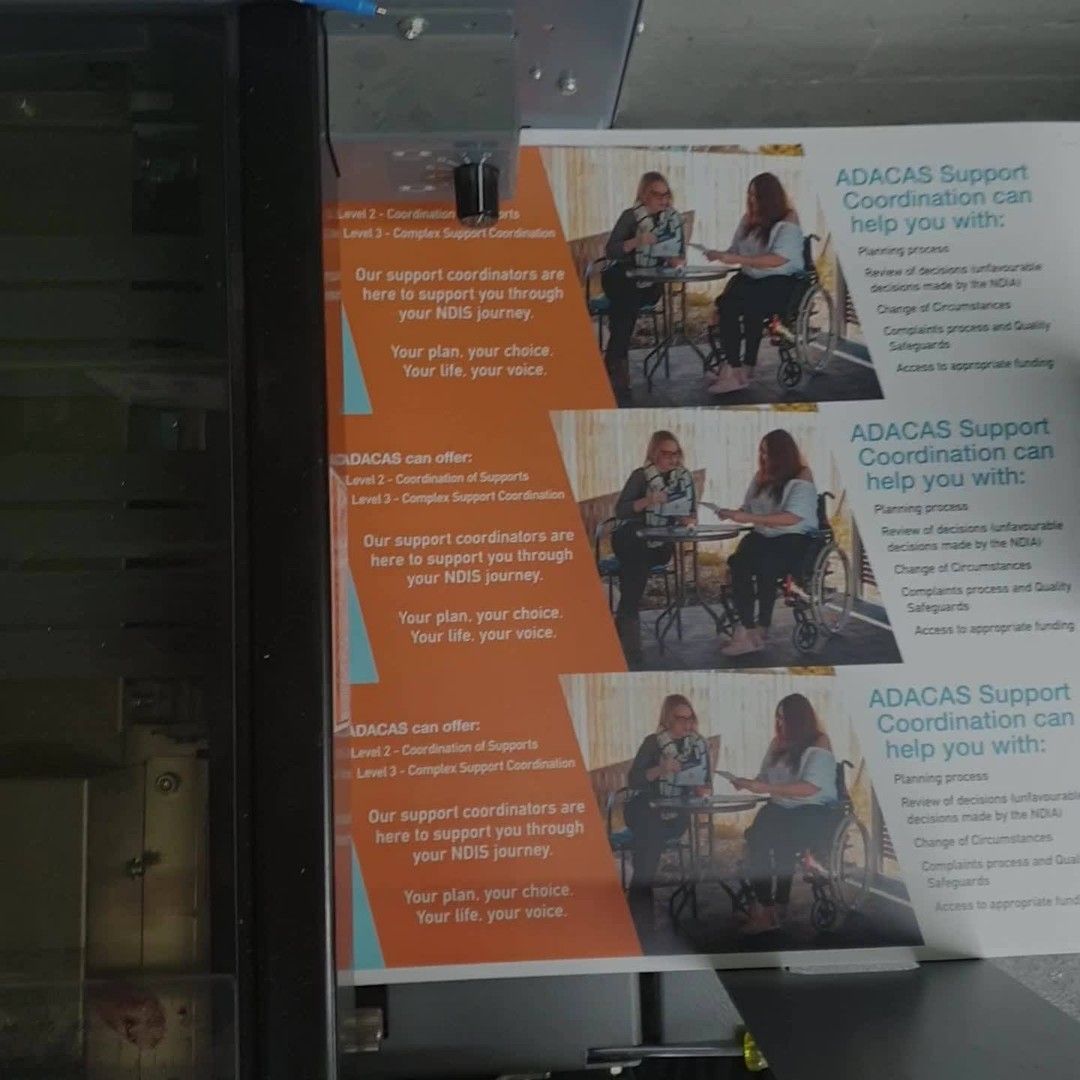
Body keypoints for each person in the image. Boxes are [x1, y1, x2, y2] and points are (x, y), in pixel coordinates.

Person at [729, 693, 837, 934]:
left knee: (782, 838)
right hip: (780, 806)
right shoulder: (777, 743)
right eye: (777, 718)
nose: (779, 724)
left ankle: (778, 905)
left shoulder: (819, 742)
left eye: (784, 718)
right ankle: (768, 908)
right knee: (757, 837)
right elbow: (764, 778)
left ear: (799, 720)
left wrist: (766, 789)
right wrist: (747, 783)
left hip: (812, 808)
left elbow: (810, 788)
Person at [716, 429, 818, 657]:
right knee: (739, 562)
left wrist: (750, 518)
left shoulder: (802, 475)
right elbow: (748, 508)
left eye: (767, 453)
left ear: (782, 454)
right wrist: (732, 513)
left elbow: (792, 517)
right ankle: (748, 630)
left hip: (793, 538)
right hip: (764, 536)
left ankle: (761, 627)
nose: (763, 457)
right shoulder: (760, 476)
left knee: (766, 564)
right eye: (761, 452)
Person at [703, 172, 805, 394]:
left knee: (741, 305)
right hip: (752, 278)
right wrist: (719, 254)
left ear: (770, 198)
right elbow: (736, 250)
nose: (751, 201)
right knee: (727, 303)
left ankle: (734, 370)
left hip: (780, 281)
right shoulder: (748, 219)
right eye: (749, 195)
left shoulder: (788, 219)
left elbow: (778, 259)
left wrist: (739, 260)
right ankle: (739, 368)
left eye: (756, 196)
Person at [624, 694, 712, 930]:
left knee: (648, 844)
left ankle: (638, 917)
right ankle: (641, 918)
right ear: (667, 718)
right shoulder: (653, 743)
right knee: (650, 834)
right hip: (643, 806)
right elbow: (633, 780)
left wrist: (700, 788)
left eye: (689, 717)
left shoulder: (697, 746)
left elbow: (706, 784)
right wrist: (660, 769)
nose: (686, 723)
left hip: (676, 810)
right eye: (679, 718)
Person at [611, 430, 697, 667]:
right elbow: (620, 511)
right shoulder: (641, 476)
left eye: (676, 453)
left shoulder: (683, 479)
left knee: (633, 570)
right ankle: (632, 646)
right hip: (631, 535)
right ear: (654, 453)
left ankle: (625, 619)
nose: (672, 458)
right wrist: (649, 500)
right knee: (635, 558)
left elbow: (691, 515)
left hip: (660, 542)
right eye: (666, 453)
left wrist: (685, 520)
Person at [601, 172, 686, 402]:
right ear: (644, 195)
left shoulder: (672, 220)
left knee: (625, 306)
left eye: (666, 194)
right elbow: (611, 251)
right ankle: (617, 365)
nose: (663, 199)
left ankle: (614, 362)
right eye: (656, 194)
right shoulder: (630, 217)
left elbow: (678, 255)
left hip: (650, 281)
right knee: (625, 297)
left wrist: (674, 260)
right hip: (621, 275)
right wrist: (637, 241)